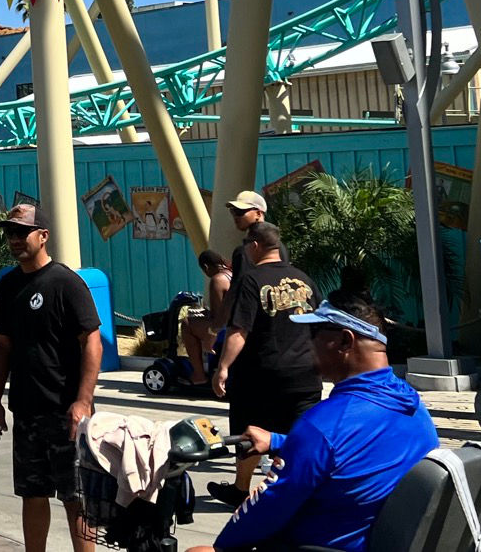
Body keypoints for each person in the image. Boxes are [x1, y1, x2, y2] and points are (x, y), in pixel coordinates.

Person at [193, 295, 440, 552]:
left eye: (314, 333)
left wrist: (221, 546)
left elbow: (266, 508)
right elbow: (357, 449)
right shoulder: (412, 404)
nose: (307, 344)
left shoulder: (323, 425)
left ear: (345, 340)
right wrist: (280, 442)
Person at [0, 203, 102, 552]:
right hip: (27, 410)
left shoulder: (66, 282)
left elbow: (92, 342)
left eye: (23, 232)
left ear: (43, 235)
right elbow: (2, 347)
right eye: (10, 233)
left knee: (75, 497)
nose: (15, 240)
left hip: (66, 413)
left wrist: (82, 402)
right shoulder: (8, 285)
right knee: (32, 493)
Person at [209, 221, 321, 507]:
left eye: (247, 245)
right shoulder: (304, 279)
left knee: (251, 432)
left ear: (255, 245)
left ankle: (241, 489)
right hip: (305, 375)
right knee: (296, 435)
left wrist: (222, 367)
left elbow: (239, 330)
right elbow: (320, 326)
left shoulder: (250, 279)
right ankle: (290, 489)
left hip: (261, 376)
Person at [180, 249, 232, 387]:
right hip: (239, 323)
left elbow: (217, 316)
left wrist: (201, 314)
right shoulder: (232, 274)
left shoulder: (218, 280)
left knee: (186, 324)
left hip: (226, 328)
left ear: (206, 267)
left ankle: (198, 374)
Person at [224, 190, 286, 277]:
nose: (235, 216)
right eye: (233, 211)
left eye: (240, 211)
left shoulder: (243, 251)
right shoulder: (279, 246)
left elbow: (241, 287)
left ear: (258, 213)